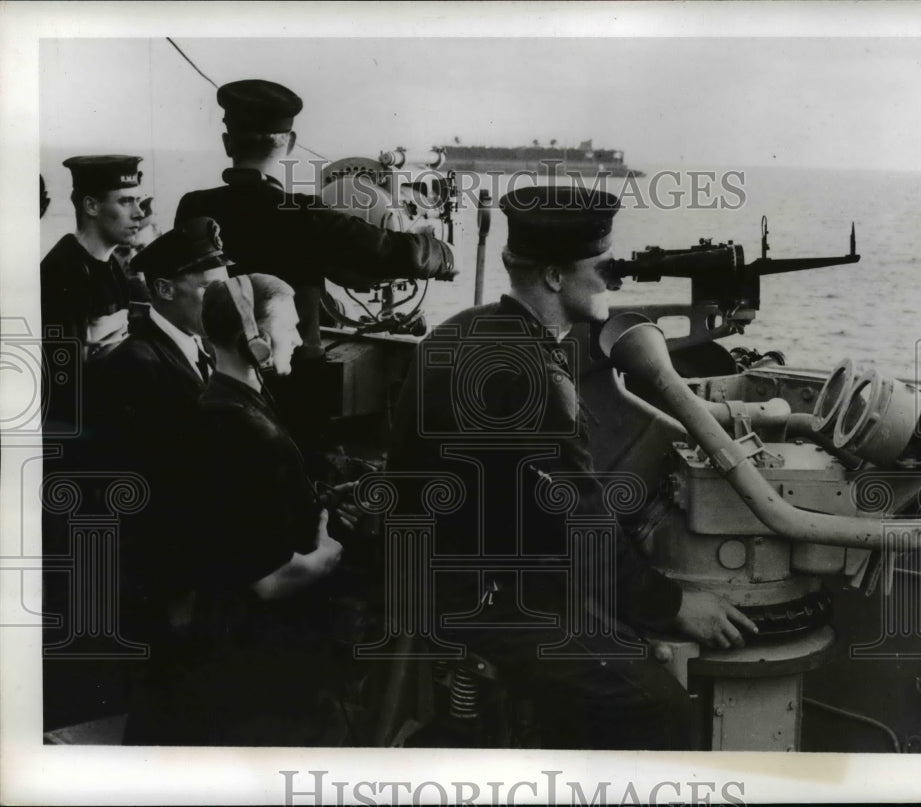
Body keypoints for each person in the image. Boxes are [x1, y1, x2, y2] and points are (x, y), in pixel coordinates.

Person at [388, 185, 757, 750]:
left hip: (429, 574)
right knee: (657, 709)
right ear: (556, 277)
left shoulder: (456, 332)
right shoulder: (538, 378)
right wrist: (676, 604)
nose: (613, 279)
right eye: (601, 266)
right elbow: (583, 529)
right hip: (483, 604)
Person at [173, 79, 457, 447]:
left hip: (215, 368)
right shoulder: (306, 216)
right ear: (289, 143)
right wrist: (445, 255)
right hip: (292, 377)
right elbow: (388, 250)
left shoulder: (193, 207)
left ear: (227, 142)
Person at [181, 273, 349, 745]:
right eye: (289, 327)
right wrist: (328, 556)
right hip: (261, 653)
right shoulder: (249, 433)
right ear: (253, 341)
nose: (298, 338)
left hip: (223, 636)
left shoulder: (221, 404)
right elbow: (270, 581)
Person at [84, 217, 233, 743]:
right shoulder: (138, 365)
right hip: (164, 583)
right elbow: (147, 496)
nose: (228, 300)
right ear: (165, 290)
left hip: (189, 573)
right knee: (164, 710)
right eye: (213, 288)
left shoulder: (196, 350)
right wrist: (178, 591)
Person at [41, 155, 147, 365]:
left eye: (138, 201)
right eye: (126, 201)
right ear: (91, 206)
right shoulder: (64, 272)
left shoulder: (110, 264)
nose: (139, 213)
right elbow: (64, 376)